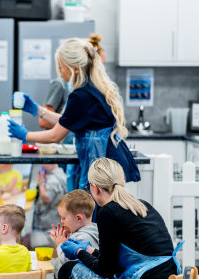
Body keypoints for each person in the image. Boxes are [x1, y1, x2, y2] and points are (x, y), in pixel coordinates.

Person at [8, 37, 140, 191]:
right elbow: (69, 121)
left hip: (102, 167)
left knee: (92, 212)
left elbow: (55, 135)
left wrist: (25, 135)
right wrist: (37, 110)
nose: (60, 72)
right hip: (108, 164)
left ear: (75, 68)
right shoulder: (91, 88)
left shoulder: (80, 95)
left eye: (61, 67)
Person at [39, 34, 107, 192]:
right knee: (73, 197)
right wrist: (39, 111)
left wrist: (25, 135)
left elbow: (63, 127)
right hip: (72, 149)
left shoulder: (88, 92)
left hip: (84, 153)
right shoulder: (66, 86)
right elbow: (65, 121)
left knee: (80, 201)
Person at [45, 190, 99, 279]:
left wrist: (59, 245)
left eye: (63, 218)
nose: (61, 221)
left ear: (79, 218)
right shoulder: (87, 231)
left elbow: (67, 265)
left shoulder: (84, 237)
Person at [25, 164, 67, 248]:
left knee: (25, 241)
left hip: (49, 227)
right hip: (51, 224)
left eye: (44, 163)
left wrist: (40, 183)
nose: (42, 166)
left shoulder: (53, 179)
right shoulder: (61, 174)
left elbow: (47, 198)